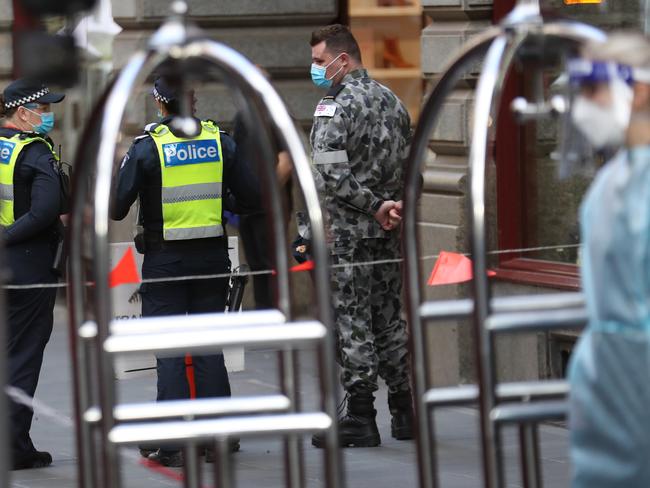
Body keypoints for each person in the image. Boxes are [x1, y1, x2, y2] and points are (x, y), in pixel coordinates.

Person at [111, 77, 260, 467]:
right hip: (212, 258)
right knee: (209, 347)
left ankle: (175, 444)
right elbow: (253, 197)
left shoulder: (148, 147)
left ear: (160, 103)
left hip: (167, 263)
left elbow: (116, 206)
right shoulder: (220, 141)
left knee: (172, 351)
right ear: (193, 100)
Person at [308, 24, 413, 448]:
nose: (315, 69)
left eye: (319, 61)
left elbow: (331, 173)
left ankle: (361, 415)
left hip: (349, 233)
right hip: (388, 230)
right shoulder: (394, 101)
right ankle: (404, 412)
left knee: (351, 320)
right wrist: (393, 206)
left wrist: (372, 206)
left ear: (342, 59)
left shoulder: (335, 106)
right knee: (389, 316)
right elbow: (412, 165)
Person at [567, 33, 650, 487]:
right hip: (609, 386)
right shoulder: (611, 183)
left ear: (638, 91)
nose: (583, 107)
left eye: (592, 90)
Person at [0, 78, 65, 469]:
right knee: (22, 357)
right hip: (29, 268)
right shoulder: (35, 150)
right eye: (42, 108)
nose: (47, 115)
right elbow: (45, 211)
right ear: (23, 113)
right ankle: (14, 448)